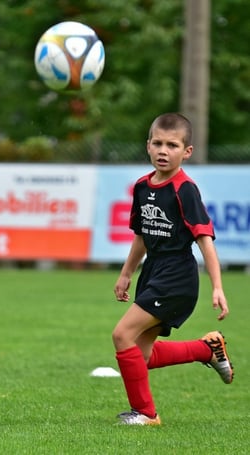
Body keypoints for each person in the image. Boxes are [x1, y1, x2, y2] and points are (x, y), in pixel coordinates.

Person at [111, 113, 233, 426]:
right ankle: (207, 349)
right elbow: (141, 236)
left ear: (187, 152)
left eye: (172, 145)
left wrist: (217, 287)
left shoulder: (185, 189)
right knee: (141, 355)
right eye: (158, 143)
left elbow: (205, 241)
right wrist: (126, 274)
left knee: (122, 335)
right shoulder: (142, 187)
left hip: (177, 275)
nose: (163, 151)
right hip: (153, 271)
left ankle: (146, 414)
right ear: (148, 146)